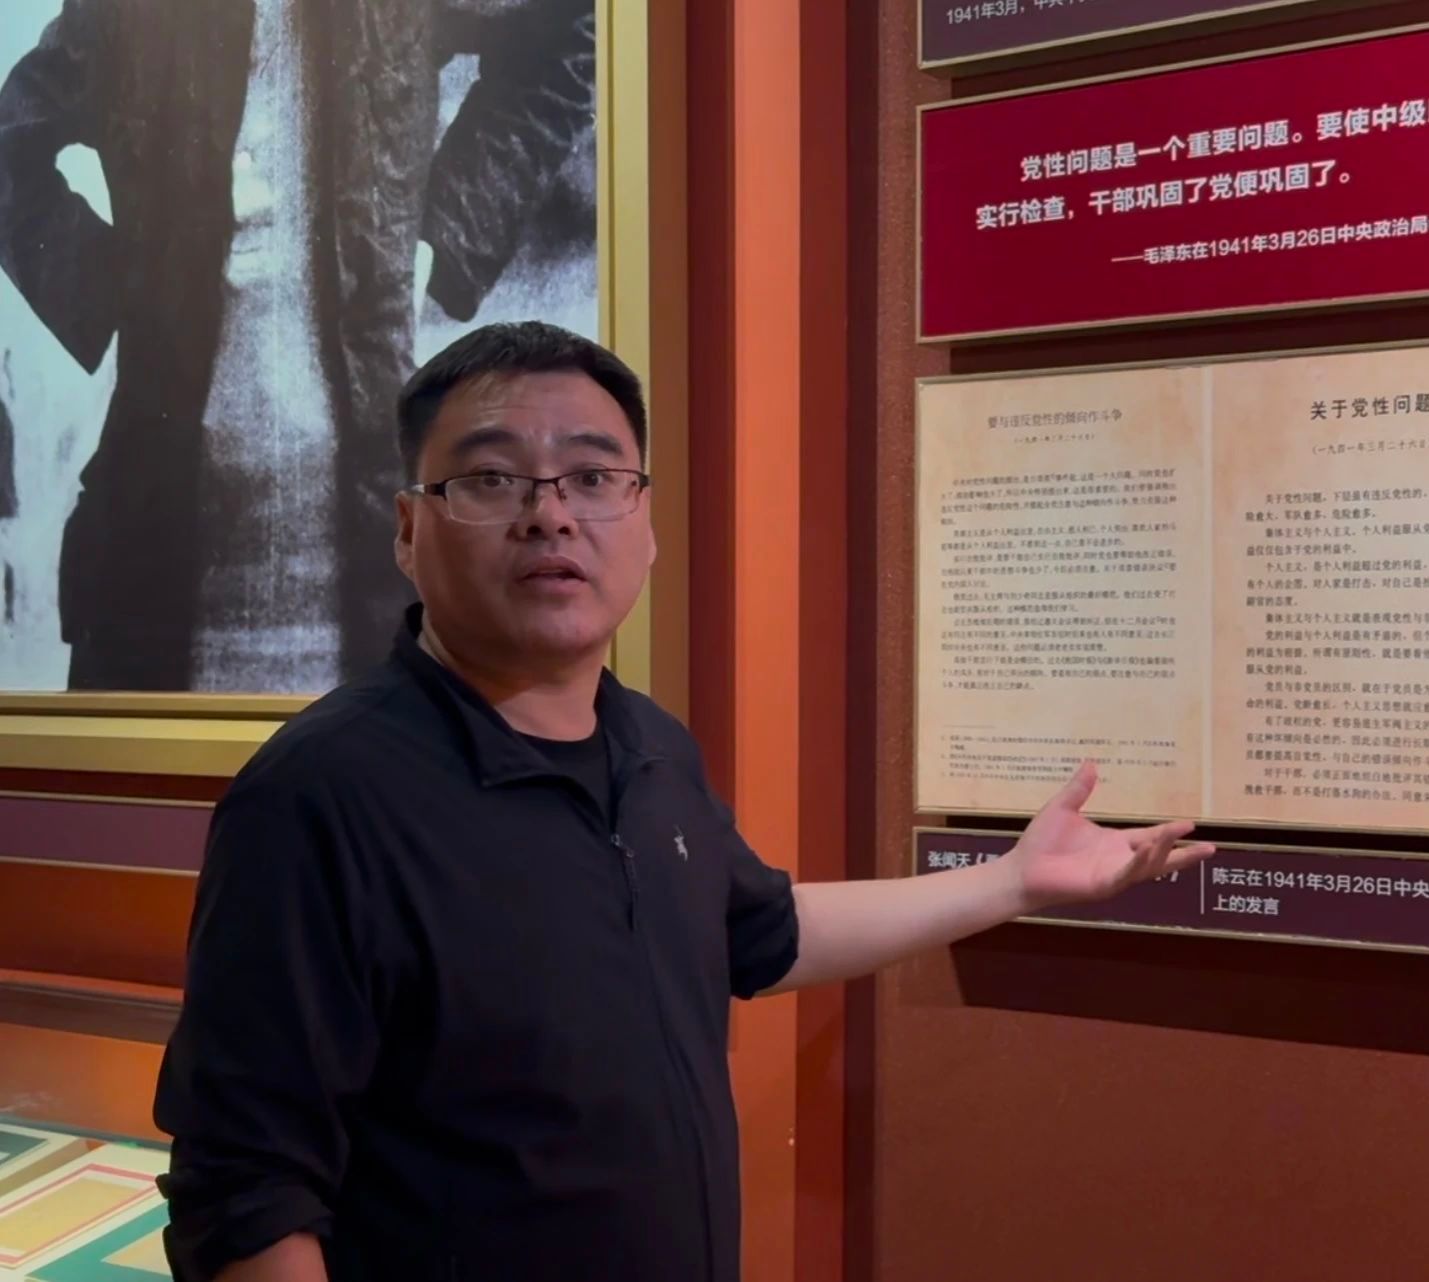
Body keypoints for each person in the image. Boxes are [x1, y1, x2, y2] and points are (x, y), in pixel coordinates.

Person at [151, 322, 1213, 1282]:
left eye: (592, 476)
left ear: (645, 520)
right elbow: (245, 1188)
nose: (549, 514)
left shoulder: (650, 746)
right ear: (405, 529)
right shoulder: (320, 794)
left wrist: (1013, 881)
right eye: (491, 478)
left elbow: (760, 929)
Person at [0, 0, 594, 692]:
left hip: (374, 562)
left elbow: (566, 33)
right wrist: (118, 291)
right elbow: (12, 143)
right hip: (155, 561)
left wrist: (442, 240)